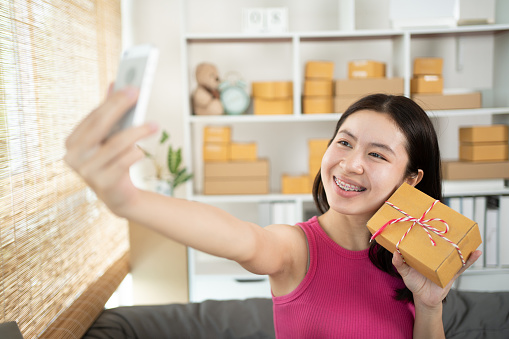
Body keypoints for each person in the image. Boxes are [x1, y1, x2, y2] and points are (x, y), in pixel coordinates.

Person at [65, 89, 481, 338]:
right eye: (344, 142)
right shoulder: (295, 249)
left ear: (411, 180)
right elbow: (241, 238)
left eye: (376, 154)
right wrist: (130, 200)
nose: (351, 164)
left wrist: (429, 306)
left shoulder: (414, 264)